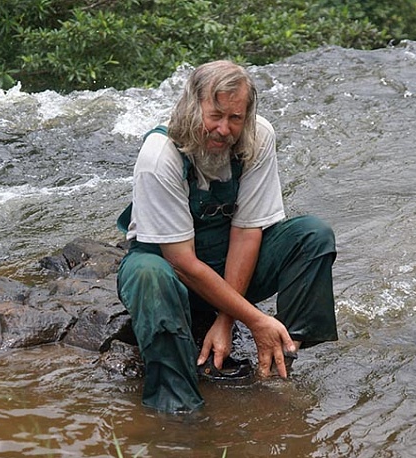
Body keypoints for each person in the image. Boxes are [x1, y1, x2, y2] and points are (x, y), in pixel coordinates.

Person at [116, 60, 338, 413]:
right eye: (215, 115)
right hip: (170, 272)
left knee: (311, 236)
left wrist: (228, 319)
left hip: (226, 265)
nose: (224, 129)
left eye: (235, 118)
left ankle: (278, 362)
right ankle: (177, 409)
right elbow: (183, 263)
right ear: (193, 106)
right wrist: (253, 318)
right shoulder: (159, 156)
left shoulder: (259, 137)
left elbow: (248, 231)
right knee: (148, 275)